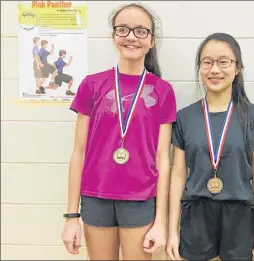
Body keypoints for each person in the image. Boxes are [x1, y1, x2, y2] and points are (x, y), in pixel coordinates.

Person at [61, 3, 177, 260]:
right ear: (113, 37)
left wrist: (161, 221)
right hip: (95, 196)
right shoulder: (92, 85)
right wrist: (71, 217)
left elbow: (163, 159)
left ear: (152, 41)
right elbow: (79, 152)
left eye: (140, 31)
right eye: (123, 29)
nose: (131, 37)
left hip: (141, 198)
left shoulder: (163, 91)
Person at [166, 32, 254, 261]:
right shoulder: (185, 117)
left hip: (239, 214)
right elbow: (177, 175)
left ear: (237, 68)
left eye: (224, 62)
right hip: (196, 213)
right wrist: (172, 230)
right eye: (207, 62)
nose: (215, 70)